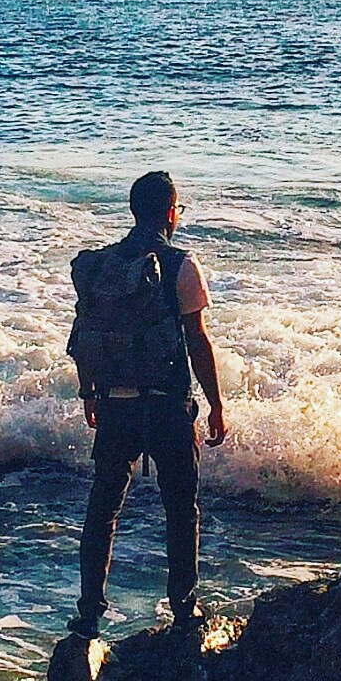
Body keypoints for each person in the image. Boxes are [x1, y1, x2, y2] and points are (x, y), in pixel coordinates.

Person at [66, 169, 227, 638]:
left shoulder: (103, 265)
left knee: (103, 508)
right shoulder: (179, 264)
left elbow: (87, 334)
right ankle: (183, 608)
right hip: (166, 407)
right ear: (171, 212)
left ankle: (89, 614)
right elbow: (197, 340)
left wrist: (89, 392)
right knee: (180, 508)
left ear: (135, 211)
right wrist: (215, 405)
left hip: (115, 404)